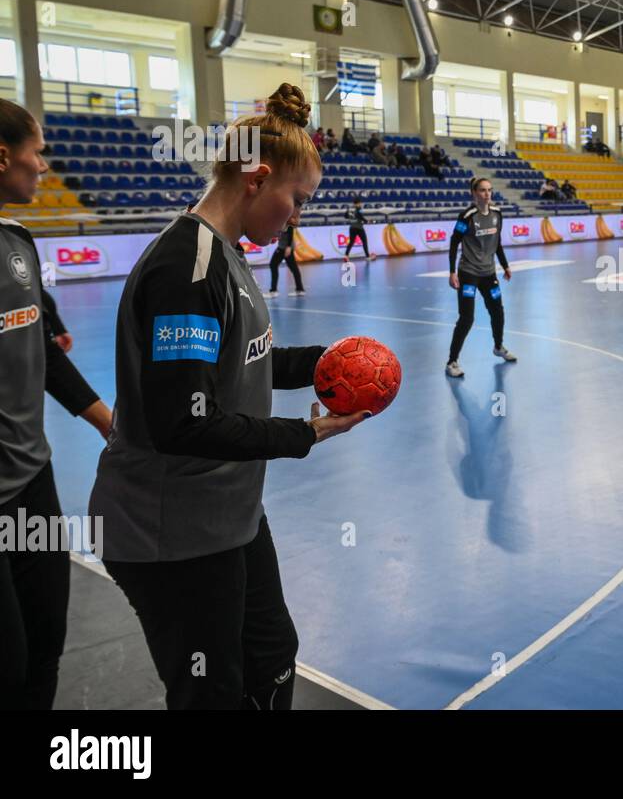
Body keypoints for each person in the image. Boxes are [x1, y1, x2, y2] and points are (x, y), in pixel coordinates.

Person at [88, 84, 369, 710]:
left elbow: (248, 362)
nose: (298, 216)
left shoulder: (228, 257)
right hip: (170, 530)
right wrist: (305, 433)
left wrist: (333, 362)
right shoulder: (186, 270)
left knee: (270, 655)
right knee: (210, 692)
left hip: (228, 512)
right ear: (257, 177)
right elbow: (181, 423)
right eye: (296, 200)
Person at [0, 98, 112, 710]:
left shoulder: (19, 244)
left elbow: (42, 349)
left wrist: (108, 423)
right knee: (8, 664)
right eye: (35, 151)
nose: (44, 165)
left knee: (46, 641)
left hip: (31, 481)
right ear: (1, 154)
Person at [446, 177, 516, 378]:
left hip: (489, 274)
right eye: (483, 190)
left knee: (497, 310)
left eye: (490, 190)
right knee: (467, 318)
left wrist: (505, 265)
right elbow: (453, 244)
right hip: (468, 274)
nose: (487, 194)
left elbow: (497, 242)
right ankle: (452, 362)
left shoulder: (497, 213)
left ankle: (498, 347)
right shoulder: (467, 216)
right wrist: (452, 272)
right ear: (474, 193)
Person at [266, 218, 304, 298]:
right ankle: (300, 289)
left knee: (273, 265)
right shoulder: (279, 217)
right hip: (283, 246)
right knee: (293, 268)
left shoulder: (285, 216)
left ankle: (273, 291)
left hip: (284, 247)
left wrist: (289, 247)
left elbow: (290, 231)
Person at [343, 195, 375, 261]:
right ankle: (367, 257)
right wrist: (367, 221)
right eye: (360, 203)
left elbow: (345, 216)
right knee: (364, 241)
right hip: (359, 228)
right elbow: (360, 216)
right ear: (358, 203)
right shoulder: (359, 208)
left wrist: (351, 217)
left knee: (351, 242)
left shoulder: (350, 208)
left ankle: (346, 256)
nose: (360, 204)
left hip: (352, 227)